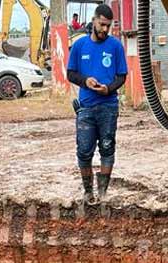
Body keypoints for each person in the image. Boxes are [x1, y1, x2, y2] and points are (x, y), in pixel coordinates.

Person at [66, 4, 126, 205]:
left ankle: (102, 193)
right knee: (84, 150)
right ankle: (88, 192)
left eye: (108, 26)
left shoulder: (115, 46)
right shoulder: (79, 46)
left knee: (107, 148)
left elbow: (121, 76)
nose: (104, 30)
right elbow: (71, 74)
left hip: (108, 106)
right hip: (86, 107)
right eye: (102, 25)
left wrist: (108, 88)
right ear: (94, 21)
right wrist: (86, 81)